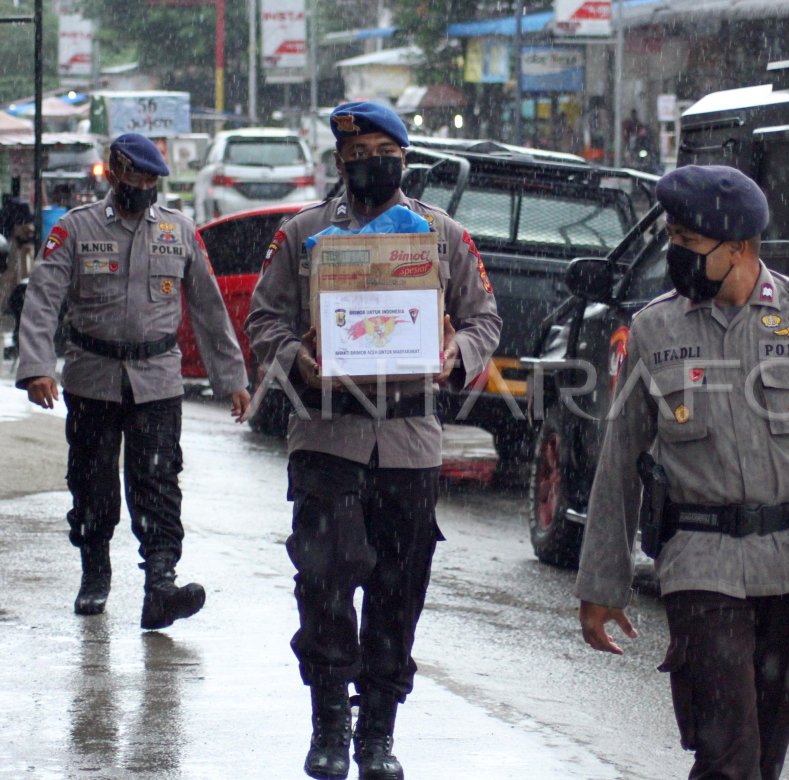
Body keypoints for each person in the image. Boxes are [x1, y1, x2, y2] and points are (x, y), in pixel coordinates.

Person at [575, 165, 789, 779]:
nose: (676, 257)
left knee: (763, 758)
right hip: (699, 561)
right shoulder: (654, 328)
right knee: (728, 756)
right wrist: (601, 583)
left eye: (690, 246)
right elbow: (620, 460)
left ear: (740, 248)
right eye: (673, 242)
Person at [244, 101, 500, 780]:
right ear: (338, 163)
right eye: (355, 157)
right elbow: (263, 317)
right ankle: (330, 722)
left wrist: (455, 354)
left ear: (404, 160)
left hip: (410, 441)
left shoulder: (440, 235)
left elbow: (484, 319)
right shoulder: (302, 234)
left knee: (398, 587)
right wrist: (294, 354)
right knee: (324, 582)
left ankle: (378, 731)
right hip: (327, 434)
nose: (367, 166)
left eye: (380, 154)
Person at [15, 133, 251, 630]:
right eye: (135, 176)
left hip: (158, 381)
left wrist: (232, 379)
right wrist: (37, 366)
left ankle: (160, 586)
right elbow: (42, 299)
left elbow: (209, 311)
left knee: (158, 483)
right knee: (93, 484)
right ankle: (95, 572)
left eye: (151, 179)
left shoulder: (179, 231)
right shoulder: (75, 230)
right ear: (114, 172)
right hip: (92, 377)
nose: (143, 186)